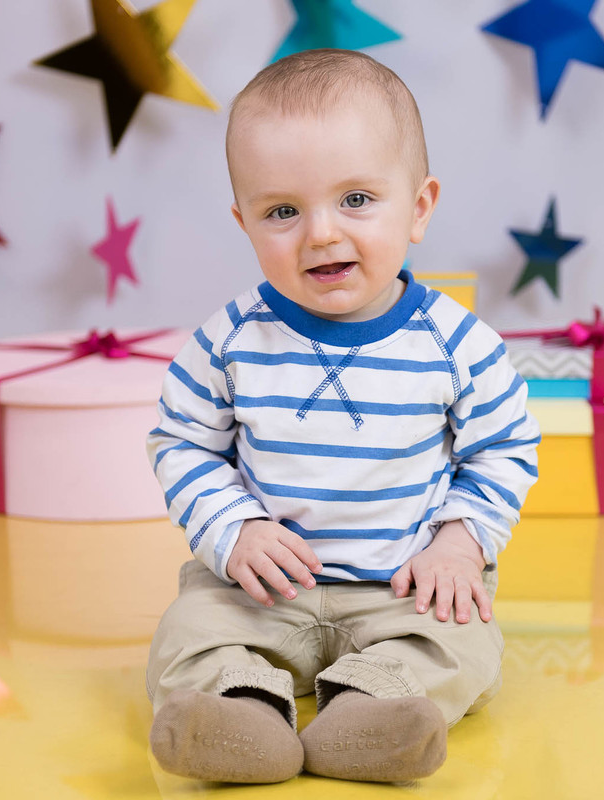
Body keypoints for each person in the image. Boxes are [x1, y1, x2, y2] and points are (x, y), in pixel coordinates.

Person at [144, 48, 541, 785]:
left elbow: (502, 451)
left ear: (418, 208)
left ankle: (369, 714)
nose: (321, 233)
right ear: (245, 223)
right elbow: (181, 442)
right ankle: (243, 716)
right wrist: (234, 530)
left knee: (463, 642)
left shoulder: (459, 347)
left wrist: (459, 544)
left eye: (356, 200)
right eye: (283, 212)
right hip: (258, 593)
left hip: (404, 589)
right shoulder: (228, 342)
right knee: (189, 634)